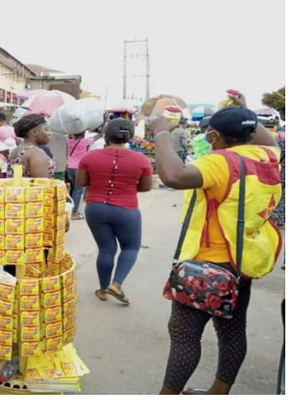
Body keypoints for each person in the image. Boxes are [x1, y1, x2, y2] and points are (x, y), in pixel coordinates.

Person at [152, 92, 282, 395]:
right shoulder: (267, 155)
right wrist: (242, 109)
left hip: (205, 266)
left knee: (184, 336)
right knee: (233, 331)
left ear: (212, 135)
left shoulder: (219, 162)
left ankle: (167, 395)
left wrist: (160, 132)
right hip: (242, 261)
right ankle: (219, 391)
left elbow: (172, 175)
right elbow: (265, 138)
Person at [76, 118, 153, 305]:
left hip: (95, 208)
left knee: (106, 249)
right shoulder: (141, 160)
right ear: (130, 136)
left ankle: (103, 290)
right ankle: (116, 284)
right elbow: (145, 187)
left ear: (106, 135)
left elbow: (81, 182)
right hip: (126, 209)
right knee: (130, 247)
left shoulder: (89, 157)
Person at [8, 114, 56, 179]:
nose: (50, 133)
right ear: (34, 132)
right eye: (46, 130)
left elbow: (18, 179)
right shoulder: (36, 153)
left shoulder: (16, 150)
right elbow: (40, 185)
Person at [67, 132, 94, 220]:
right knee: (78, 190)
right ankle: (75, 213)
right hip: (79, 168)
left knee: (70, 189)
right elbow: (99, 136)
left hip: (69, 167)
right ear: (83, 134)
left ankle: (68, 210)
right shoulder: (85, 142)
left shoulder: (68, 141)